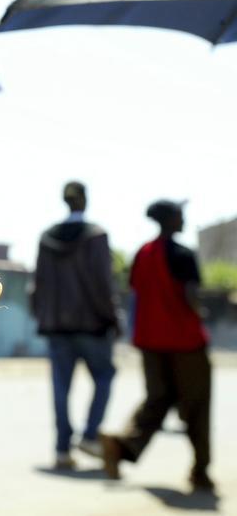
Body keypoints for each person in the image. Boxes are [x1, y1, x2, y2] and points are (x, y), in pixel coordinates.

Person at [100, 200, 213, 491]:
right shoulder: (183, 254)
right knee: (196, 406)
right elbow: (190, 295)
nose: (183, 220)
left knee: (158, 399)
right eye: (180, 216)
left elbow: (135, 292)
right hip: (185, 342)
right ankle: (200, 472)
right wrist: (200, 312)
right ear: (171, 220)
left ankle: (120, 446)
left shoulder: (143, 253)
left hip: (150, 341)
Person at [31, 181, 119, 469]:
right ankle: (90, 435)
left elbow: (38, 284)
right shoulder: (96, 236)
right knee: (105, 376)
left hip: (57, 327)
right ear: (85, 201)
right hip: (92, 325)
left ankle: (61, 449)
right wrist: (112, 318)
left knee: (60, 388)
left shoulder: (46, 238)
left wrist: (42, 316)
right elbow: (103, 284)